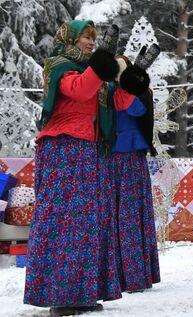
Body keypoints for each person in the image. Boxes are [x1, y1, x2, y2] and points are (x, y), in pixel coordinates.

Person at [24, 21, 138, 315]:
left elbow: (120, 102)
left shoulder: (96, 74)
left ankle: (83, 292)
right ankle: (60, 295)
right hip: (62, 149)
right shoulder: (59, 65)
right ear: (71, 39)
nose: (90, 42)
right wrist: (101, 66)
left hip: (88, 150)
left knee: (87, 223)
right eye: (87, 38)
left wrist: (132, 79)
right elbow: (79, 90)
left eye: (93, 39)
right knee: (64, 221)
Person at [111, 46, 160, 293]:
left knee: (130, 217)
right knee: (123, 216)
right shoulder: (111, 91)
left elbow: (138, 110)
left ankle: (131, 274)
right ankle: (126, 274)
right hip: (116, 157)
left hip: (128, 156)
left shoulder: (131, 94)